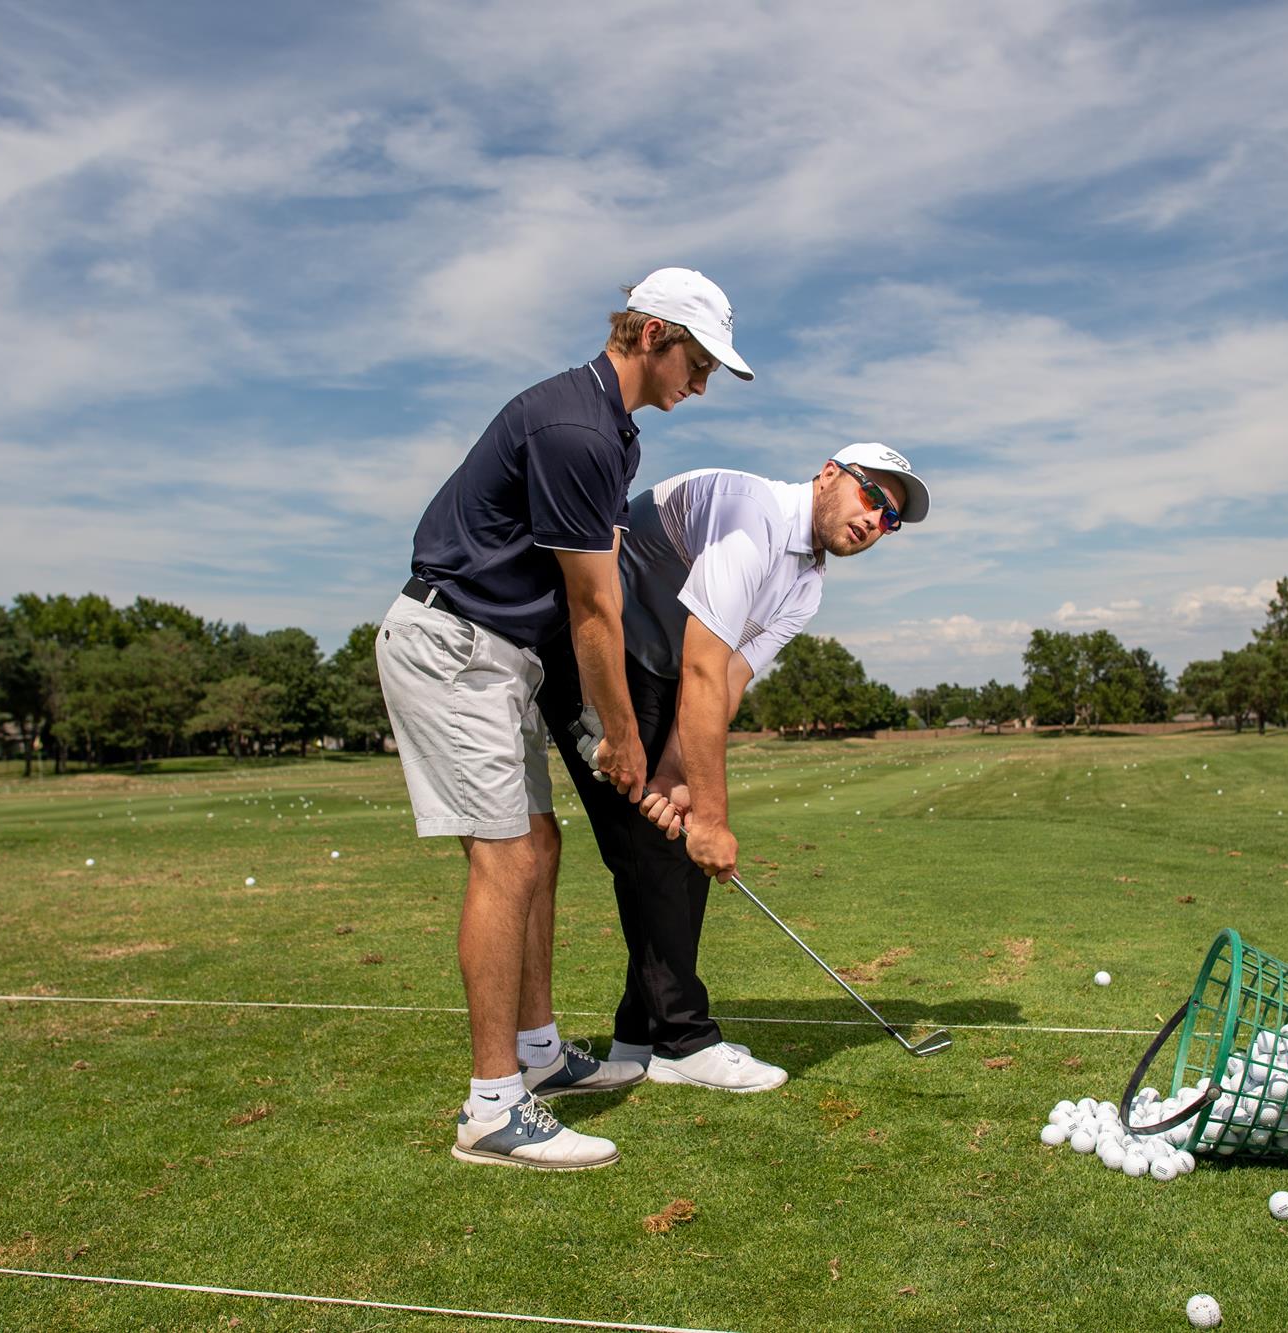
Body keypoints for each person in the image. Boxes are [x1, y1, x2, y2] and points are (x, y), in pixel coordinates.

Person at [376, 268, 753, 1170]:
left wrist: (599, 727)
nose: (701, 382)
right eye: (698, 360)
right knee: (507, 857)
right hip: (455, 644)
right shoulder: (579, 429)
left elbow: (582, 608)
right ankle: (492, 1106)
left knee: (539, 845)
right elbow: (594, 613)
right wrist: (619, 737)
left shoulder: (611, 431)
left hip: (503, 657)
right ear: (653, 334)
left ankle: (539, 1055)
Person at [538, 444, 931, 1092]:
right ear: (831, 473)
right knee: (654, 849)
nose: (875, 521)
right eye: (872, 496)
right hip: (592, 651)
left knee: (676, 842)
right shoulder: (751, 515)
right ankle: (684, 1039)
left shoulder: (807, 583)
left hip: (664, 675)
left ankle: (640, 1034)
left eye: (890, 519)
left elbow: (726, 678)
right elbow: (699, 665)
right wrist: (711, 820)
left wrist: (679, 776)